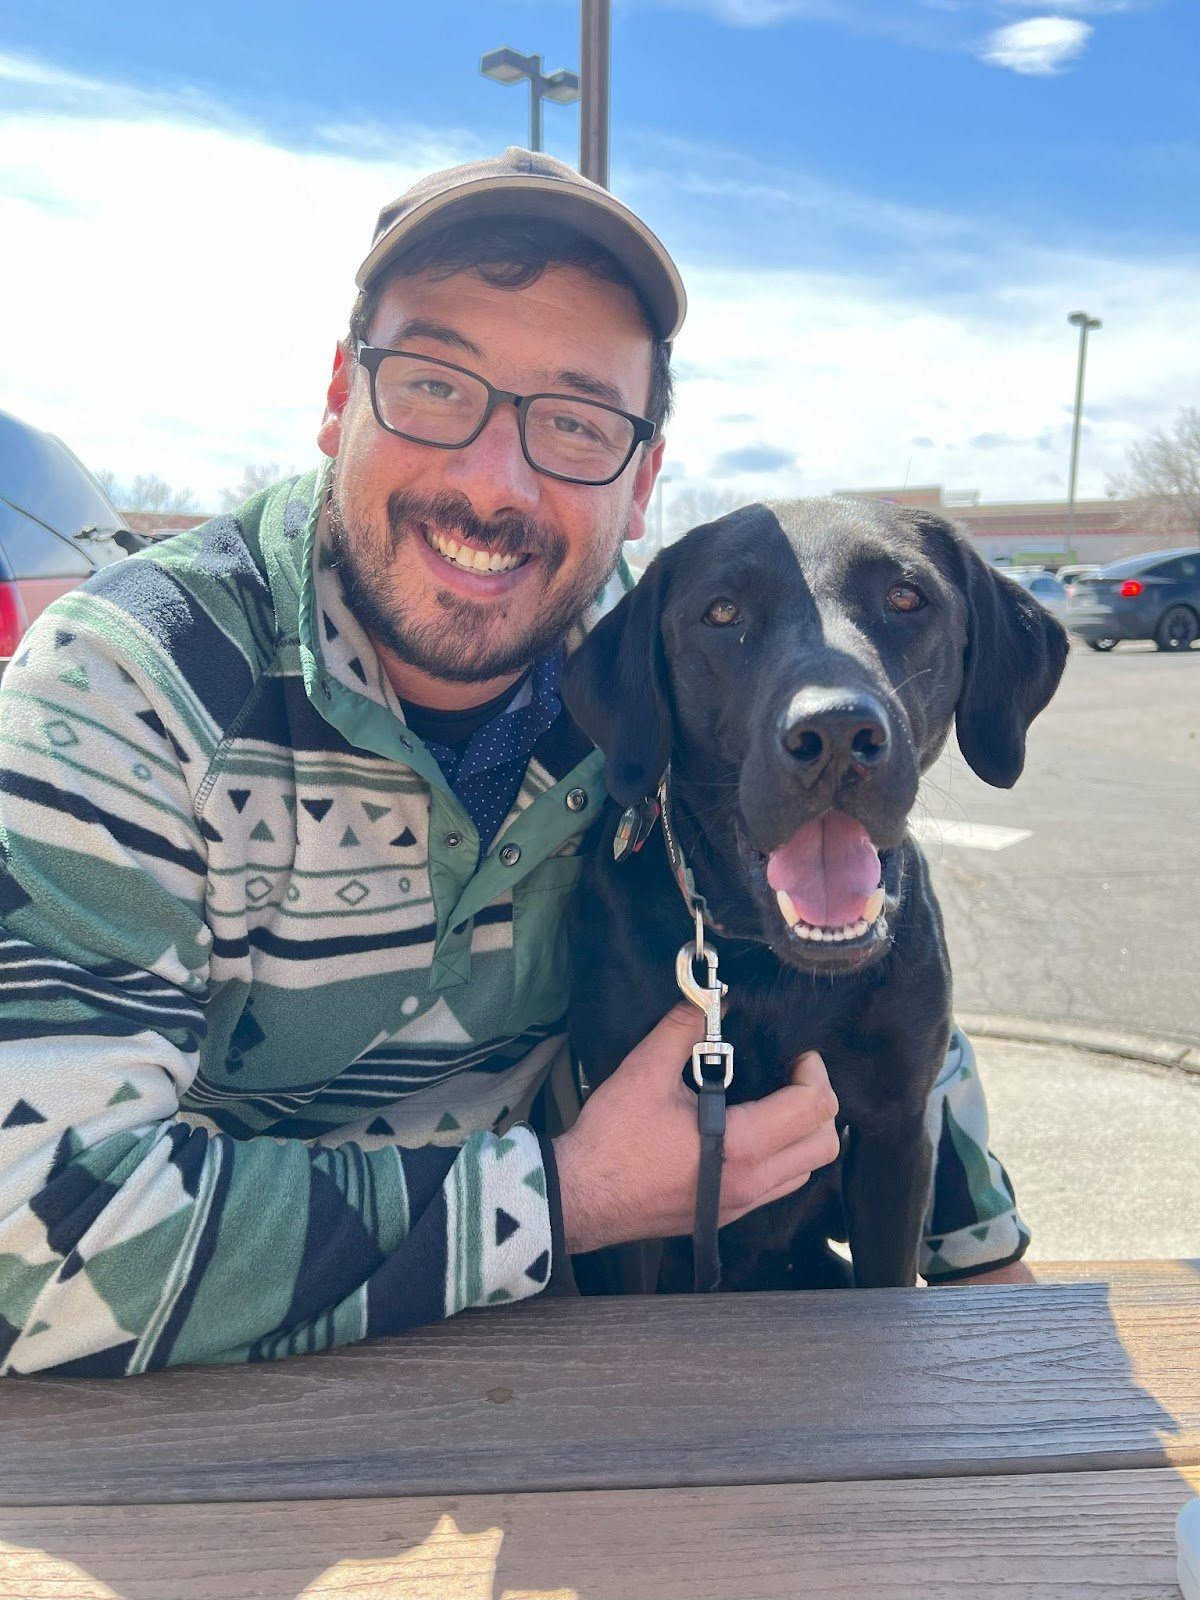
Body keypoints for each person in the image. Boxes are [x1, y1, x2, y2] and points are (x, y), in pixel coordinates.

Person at [0, 149, 1031, 1377]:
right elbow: (34, 1247)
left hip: (550, 1372)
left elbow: (843, 906)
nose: (496, 480)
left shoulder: (652, 666)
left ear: (642, 478)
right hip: (191, 1402)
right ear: (339, 396)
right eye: (436, 386)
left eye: (578, 421)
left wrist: (985, 1256)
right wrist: (568, 1198)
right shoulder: (126, 685)